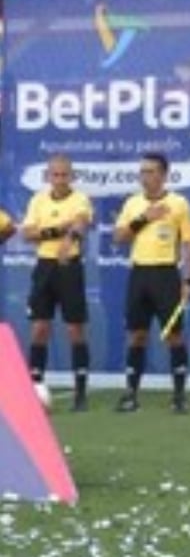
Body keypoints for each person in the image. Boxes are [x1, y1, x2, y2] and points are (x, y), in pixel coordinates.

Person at [112, 153, 190, 414]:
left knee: (174, 335)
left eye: (150, 171)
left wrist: (189, 279)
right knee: (137, 335)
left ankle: (179, 396)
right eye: (143, 172)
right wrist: (144, 218)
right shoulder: (132, 203)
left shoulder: (179, 203)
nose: (145, 177)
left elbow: (189, 242)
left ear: (163, 174)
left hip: (166, 274)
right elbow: (119, 237)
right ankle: (130, 394)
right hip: (140, 274)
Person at [20, 155, 93, 411]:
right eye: (56, 175)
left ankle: (81, 392)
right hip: (45, 267)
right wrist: (57, 230)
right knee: (40, 328)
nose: (60, 179)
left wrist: (69, 236)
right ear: (48, 176)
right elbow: (27, 233)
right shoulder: (38, 200)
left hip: (69, 267)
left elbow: (82, 222)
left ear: (71, 176)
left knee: (74, 330)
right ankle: (35, 387)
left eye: (65, 175)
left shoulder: (79, 199)